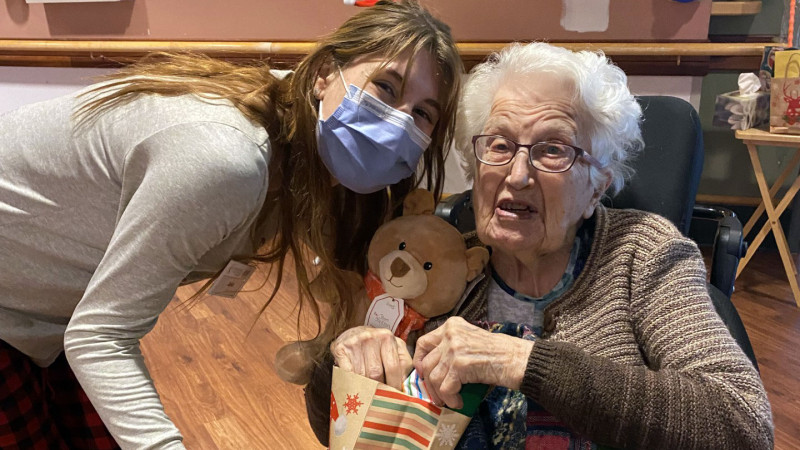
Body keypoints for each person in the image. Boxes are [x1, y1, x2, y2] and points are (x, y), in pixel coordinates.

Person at [0, 1, 463, 448]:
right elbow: (100, 335)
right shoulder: (228, 159)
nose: (399, 121)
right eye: (386, 87)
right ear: (324, 74)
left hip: (52, 318)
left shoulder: (298, 156)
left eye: (422, 113)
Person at [306, 42, 774, 449]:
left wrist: (522, 361)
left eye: (553, 150)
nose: (518, 174)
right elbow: (338, 426)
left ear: (596, 187)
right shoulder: (439, 265)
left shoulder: (642, 253)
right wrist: (343, 362)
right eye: (500, 145)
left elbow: (742, 422)